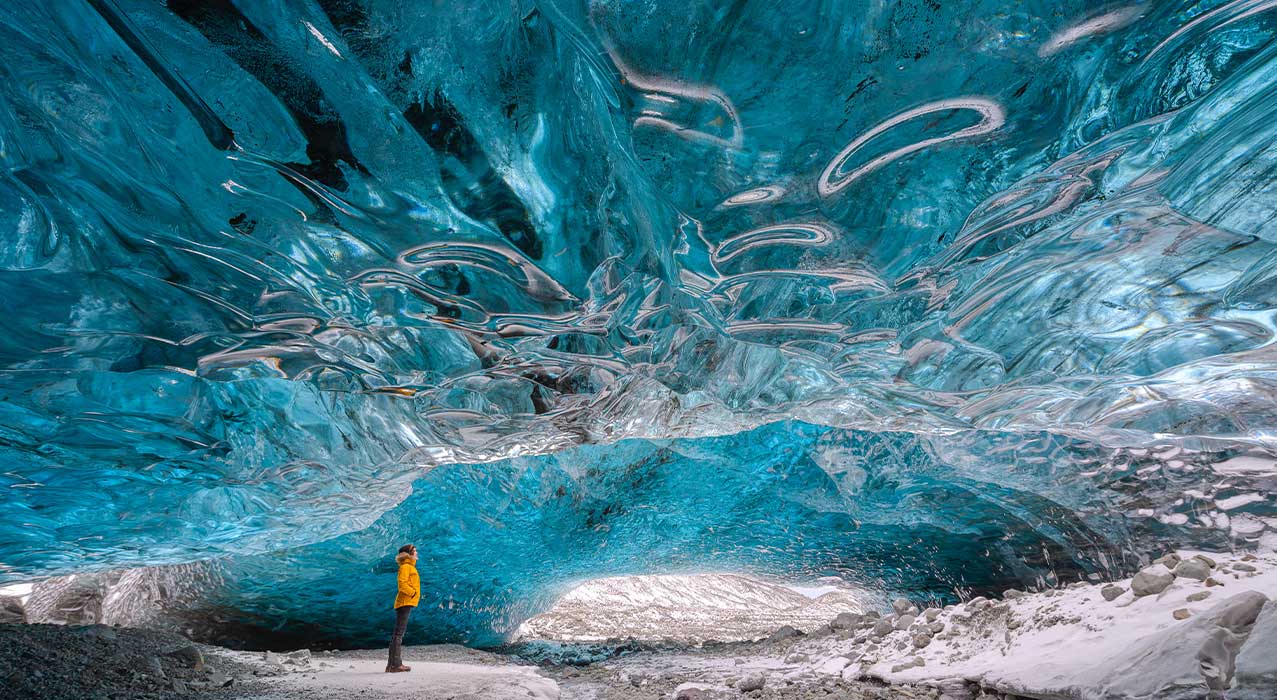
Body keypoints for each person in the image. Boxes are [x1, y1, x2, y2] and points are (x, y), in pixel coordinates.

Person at [386, 544, 419, 673]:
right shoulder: (406, 567)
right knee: (398, 634)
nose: (417, 554)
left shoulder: (409, 566)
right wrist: (413, 593)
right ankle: (396, 665)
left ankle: (391, 665)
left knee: (397, 634)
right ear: (408, 554)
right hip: (405, 602)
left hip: (406, 602)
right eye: (415, 552)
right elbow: (402, 584)